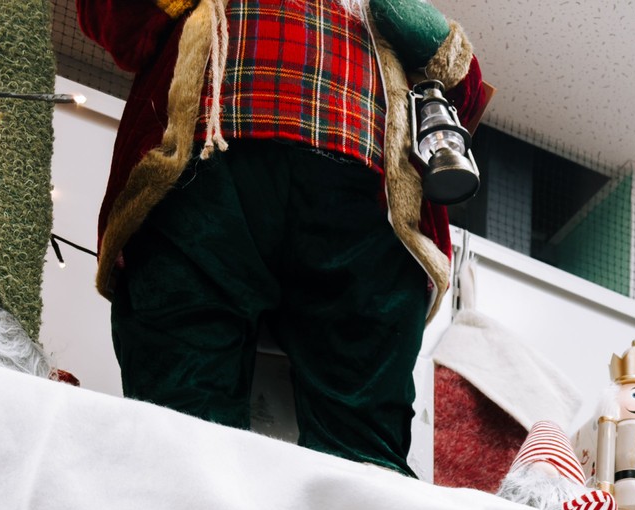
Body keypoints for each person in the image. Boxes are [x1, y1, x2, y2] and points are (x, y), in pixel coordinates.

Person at [78, 0, 491, 472]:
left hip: (368, 208)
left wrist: (419, 26)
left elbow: (464, 95)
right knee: (180, 425)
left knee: (362, 453)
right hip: (204, 173)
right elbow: (116, 20)